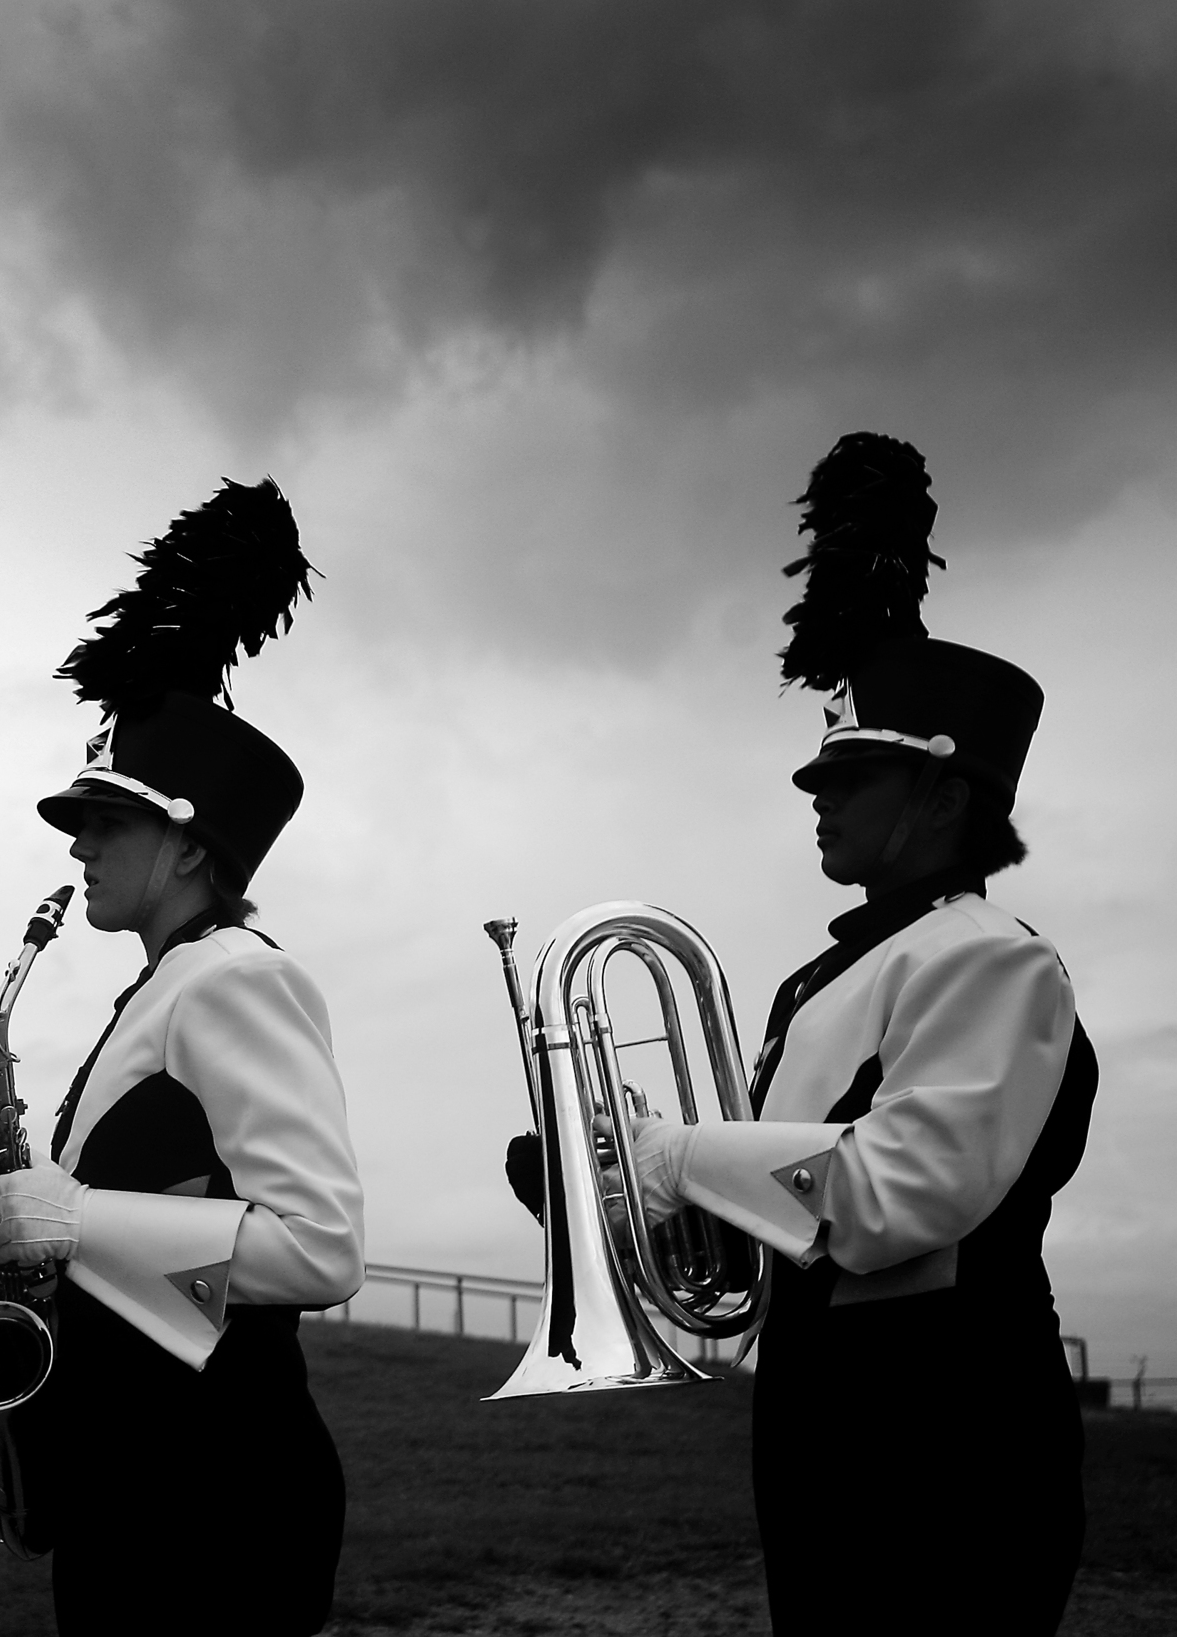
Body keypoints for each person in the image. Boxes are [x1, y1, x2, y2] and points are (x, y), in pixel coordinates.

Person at [511, 433, 1093, 1634]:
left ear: (942, 795)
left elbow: (888, 1198)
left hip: (947, 1443)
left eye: (850, 773)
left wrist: (669, 1151)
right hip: (832, 1423)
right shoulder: (831, 973)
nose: (816, 791)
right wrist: (608, 1188)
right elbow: (783, 1217)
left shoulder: (991, 955)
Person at [0, 480, 365, 1637]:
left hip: (216, 1496)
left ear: (193, 845)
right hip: (145, 1483)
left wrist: (76, 1220)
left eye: (109, 820)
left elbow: (323, 1246)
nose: (79, 840)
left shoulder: (238, 976)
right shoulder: (168, 980)